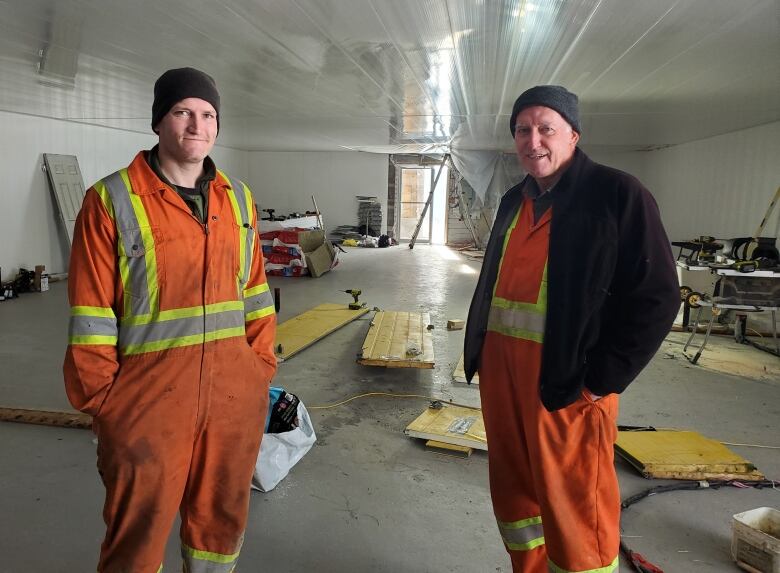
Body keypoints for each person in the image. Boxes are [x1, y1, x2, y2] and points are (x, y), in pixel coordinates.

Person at [63, 67, 277, 572]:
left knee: (219, 529)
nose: (195, 125)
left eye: (207, 115)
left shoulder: (238, 198)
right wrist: (107, 404)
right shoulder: (110, 201)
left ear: (218, 126)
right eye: (182, 112)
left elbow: (257, 296)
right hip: (146, 407)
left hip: (232, 401)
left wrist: (258, 370)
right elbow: (90, 314)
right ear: (159, 122)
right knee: (136, 537)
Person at [464, 85, 679, 572]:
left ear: (574, 135)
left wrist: (599, 381)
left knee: (576, 507)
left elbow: (658, 296)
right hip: (503, 385)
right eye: (522, 129)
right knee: (516, 498)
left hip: (568, 387)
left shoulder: (617, 194)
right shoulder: (513, 202)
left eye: (546, 128)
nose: (532, 140)